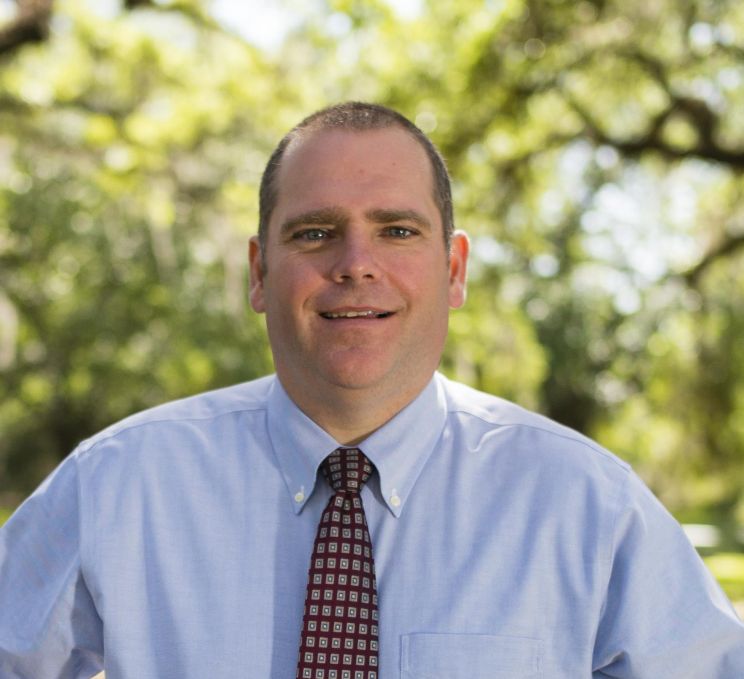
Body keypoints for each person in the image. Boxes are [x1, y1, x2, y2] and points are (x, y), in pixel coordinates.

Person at [1, 102, 743, 679]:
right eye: (315, 232)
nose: (356, 263)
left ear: (454, 270)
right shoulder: (118, 486)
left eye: (397, 231)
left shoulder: (588, 506)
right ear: (259, 272)